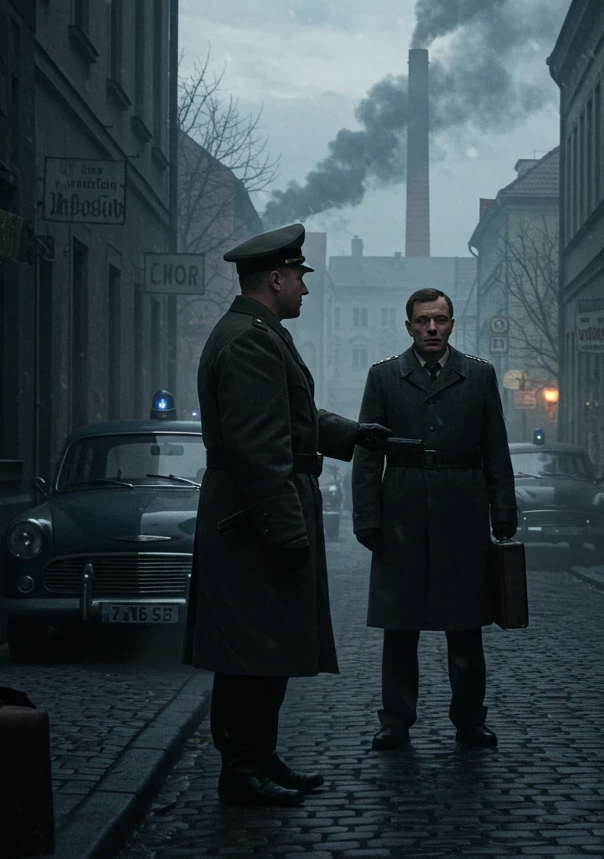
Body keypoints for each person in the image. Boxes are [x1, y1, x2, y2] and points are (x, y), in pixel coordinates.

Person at [183, 223, 392, 807]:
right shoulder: (249, 340)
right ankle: (241, 769)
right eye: (299, 278)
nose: (305, 289)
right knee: (249, 654)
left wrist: (355, 434)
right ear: (274, 278)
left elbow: (290, 415)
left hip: (251, 516)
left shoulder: (257, 332)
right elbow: (258, 448)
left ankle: (259, 758)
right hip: (252, 520)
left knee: (263, 649)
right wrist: (285, 529)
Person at [351, 287, 517, 751]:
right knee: (399, 627)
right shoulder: (384, 377)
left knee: (465, 625)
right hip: (401, 507)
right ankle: (395, 721)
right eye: (423, 320)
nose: (431, 329)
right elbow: (368, 455)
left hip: (462, 509)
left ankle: (470, 720)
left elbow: (496, 450)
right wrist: (368, 516)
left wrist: (503, 512)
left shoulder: (479, 377)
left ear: (451, 324)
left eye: (440, 320)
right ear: (408, 326)